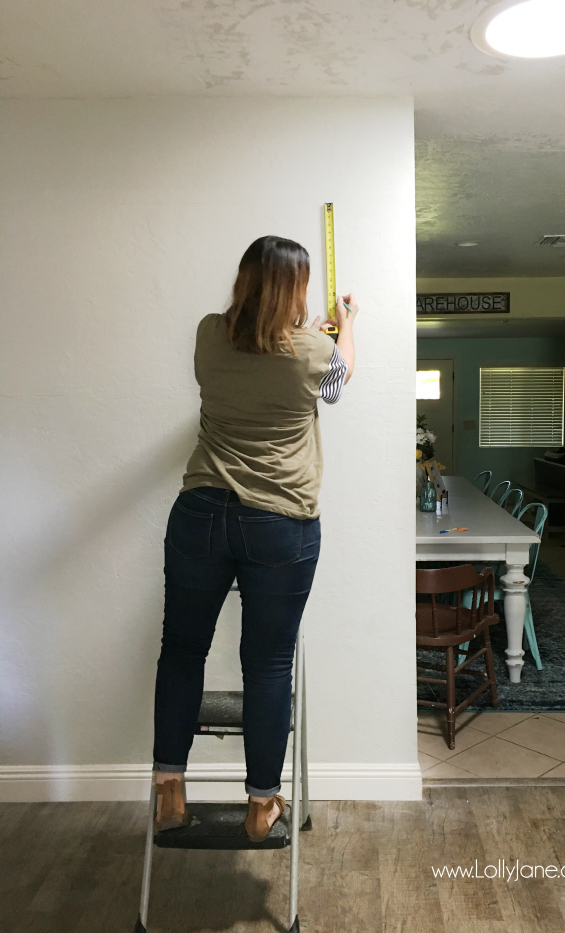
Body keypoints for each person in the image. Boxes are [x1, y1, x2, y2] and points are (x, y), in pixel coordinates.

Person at [151, 235, 357, 840]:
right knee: (267, 665)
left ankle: (169, 789)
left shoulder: (208, 334)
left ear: (244, 280)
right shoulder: (312, 351)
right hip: (280, 521)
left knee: (181, 651)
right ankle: (262, 805)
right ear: (297, 290)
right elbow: (338, 383)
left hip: (200, 511)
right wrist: (344, 324)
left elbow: (251, 355)